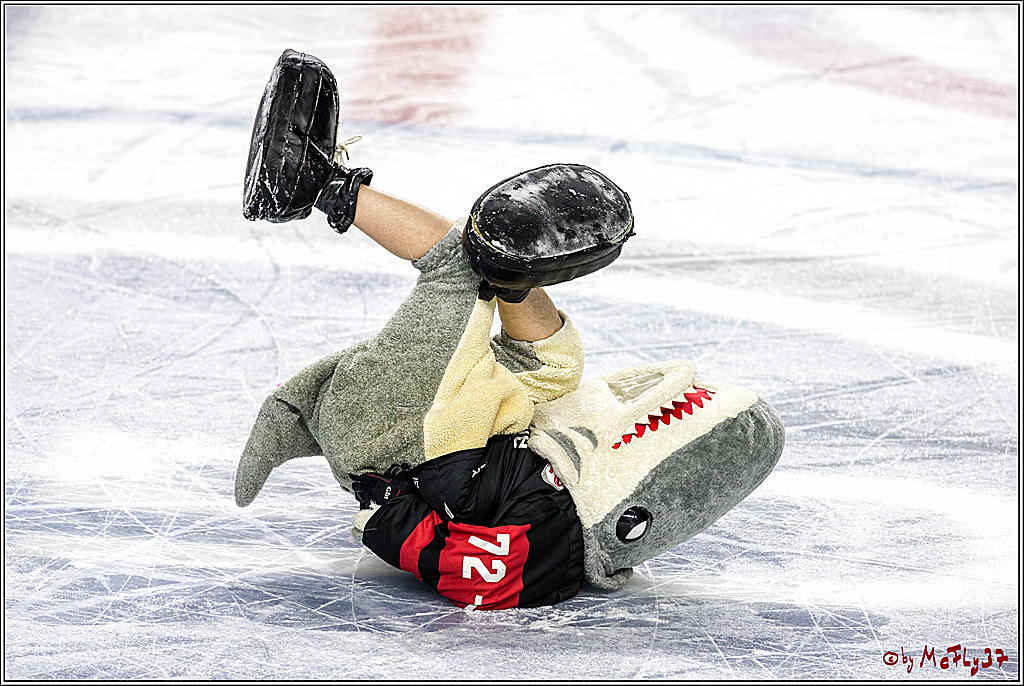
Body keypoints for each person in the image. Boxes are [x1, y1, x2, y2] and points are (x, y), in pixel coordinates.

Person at [235, 50, 786, 610]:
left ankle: (313, 184)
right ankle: (513, 278)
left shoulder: (557, 538)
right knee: (560, 367)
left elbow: (484, 578)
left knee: (458, 265)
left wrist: (387, 505)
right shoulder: (575, 479)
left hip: (407, 442)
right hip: (477, 435)